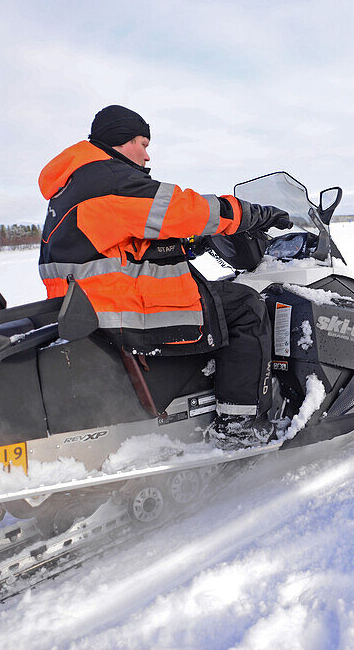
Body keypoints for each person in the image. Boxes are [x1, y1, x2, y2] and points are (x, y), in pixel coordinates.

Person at [37, 105, 292, 441]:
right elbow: (186, 209)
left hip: (91, 304)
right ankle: (237, 426)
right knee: (245, 305)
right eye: (142, 143)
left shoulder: (74, 184)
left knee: (216, 296)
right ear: (121, 141)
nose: (146, 154)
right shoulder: (111, 177)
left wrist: (184, 248)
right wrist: (253, 214)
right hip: (119, 310)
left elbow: (120, 242)